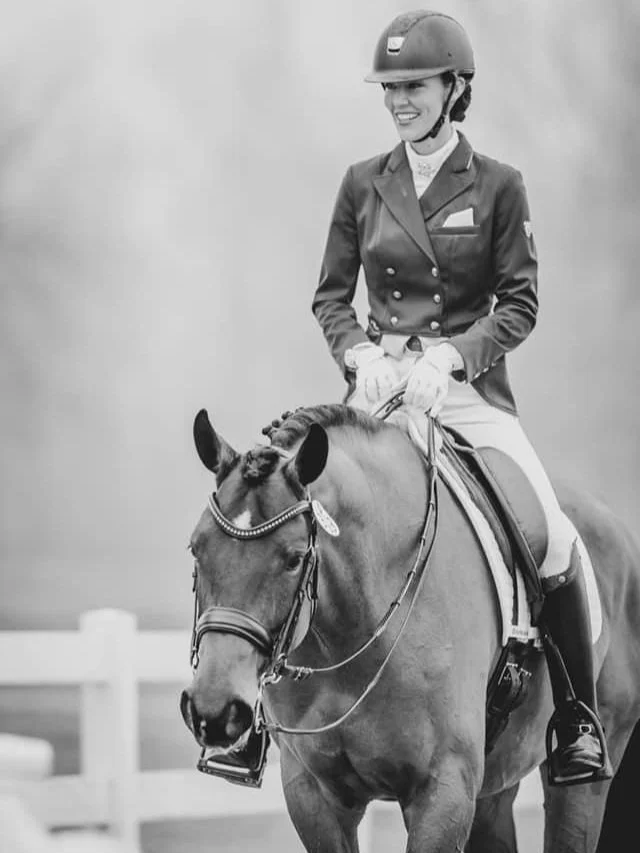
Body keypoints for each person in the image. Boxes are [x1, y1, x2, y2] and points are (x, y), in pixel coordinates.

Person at [311, 9, 611, 785]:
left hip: (468, 396)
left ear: (454, 87)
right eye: (389, 88)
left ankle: (575, 723)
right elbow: (330, 297)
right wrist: (358, 352)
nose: (399, 100)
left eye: (413, 85)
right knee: (298, 519)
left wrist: (451, 356)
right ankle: (271, 724)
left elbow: (520, 302)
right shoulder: (360, 184)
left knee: (551, 537)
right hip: (378, 397)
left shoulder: (500, 185)